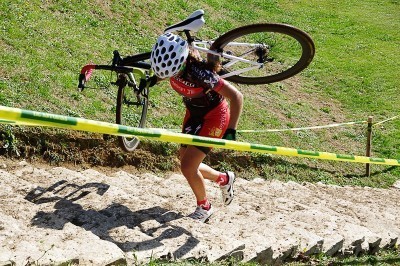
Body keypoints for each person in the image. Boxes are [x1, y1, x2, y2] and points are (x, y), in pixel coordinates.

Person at [149, 32, 243, 223]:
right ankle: (223, 179)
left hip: (215, 117)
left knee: (187, 167)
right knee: (186, 161)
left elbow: (237, 96)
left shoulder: (201, 74)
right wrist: (153, 79)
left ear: (182, 63)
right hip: (193, 113)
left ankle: (204, 207)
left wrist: (231, 130)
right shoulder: (170, 65)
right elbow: (163, 72)